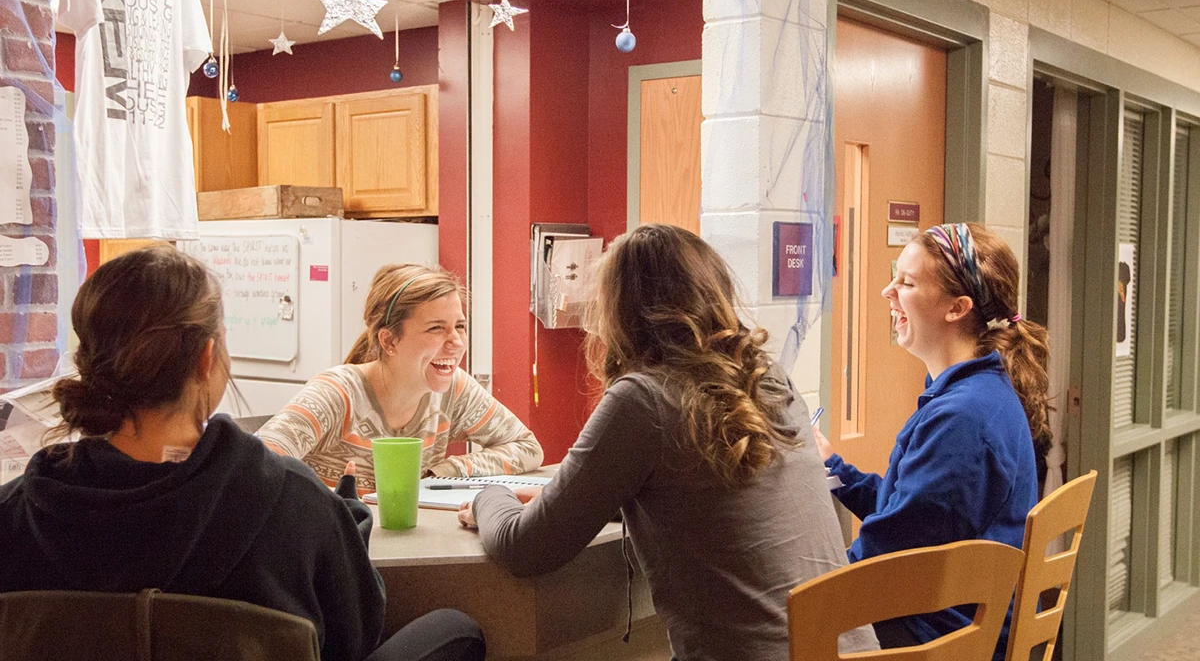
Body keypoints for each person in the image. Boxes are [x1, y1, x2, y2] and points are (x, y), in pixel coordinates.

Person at [0, 246, 485, 661]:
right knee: (455, 629)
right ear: (206, 358)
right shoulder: (295, 502)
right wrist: (343, 520)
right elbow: (355, 635)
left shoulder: (14, 513)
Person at [459, 224, 879, 661]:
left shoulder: (643, 398)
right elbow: (709, 504)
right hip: (853, 651)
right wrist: (571, 499)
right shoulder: (769, 377)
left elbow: (526, 548)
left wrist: (492, 496)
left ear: (617, 310)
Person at [814, 222, 1050, 658]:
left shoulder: (963, 418)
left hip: (947, 634)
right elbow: (911, 515)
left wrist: (803, 593)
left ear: (956, 308)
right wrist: (834, 468)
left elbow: (888, 556)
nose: (888, 292)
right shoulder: (976, 392)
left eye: (905, 282)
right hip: (956, 617)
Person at [258, 264, 542, 492]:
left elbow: (527, 448)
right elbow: (255, 466)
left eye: (460, 326)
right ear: (389, 341)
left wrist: (444, 472)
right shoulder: (337, 393)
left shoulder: (454, 388)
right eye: (435, 329)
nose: (455, 341)